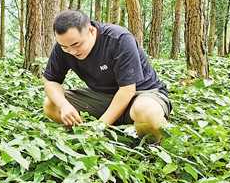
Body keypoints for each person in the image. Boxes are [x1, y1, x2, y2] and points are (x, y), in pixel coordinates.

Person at [42, 10, 171, 141]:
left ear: (91, 31)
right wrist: (64, 105)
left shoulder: (119, 39)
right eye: (65, 47)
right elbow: (51, 81)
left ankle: (149, 142)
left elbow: (127, 90)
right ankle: (96, 135)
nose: (72, 51)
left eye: (77, 44)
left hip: (142, 94)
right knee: (51, 105)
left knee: (146, 111)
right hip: (103, 97)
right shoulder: (64, 46)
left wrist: (99, 126)